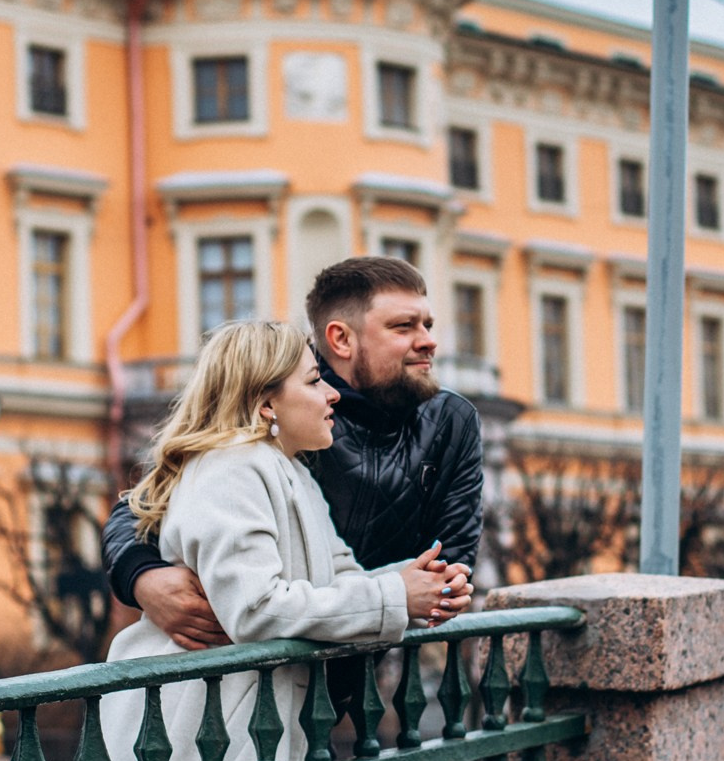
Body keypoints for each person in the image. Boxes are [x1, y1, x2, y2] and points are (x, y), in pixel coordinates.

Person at [98, 319, 466, 761]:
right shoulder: (231, 468)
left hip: (252, 734)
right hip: (211, 736)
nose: (332, 395)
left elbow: (338, 576)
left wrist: (417, 583)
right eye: (314, 381)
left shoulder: (287, 470)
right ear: (266, 401)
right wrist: (396, 596)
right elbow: (258, 609)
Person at [104, 255, 486, 647]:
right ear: (341, 339)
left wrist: (422, 586)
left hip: (351, 661)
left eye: (428, 324)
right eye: (403, 326)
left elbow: (433, 568)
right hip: (260, 673)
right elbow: (145, 507)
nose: (428, 340)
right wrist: (142, 576)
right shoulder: (264, 438)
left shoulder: (448, 422)